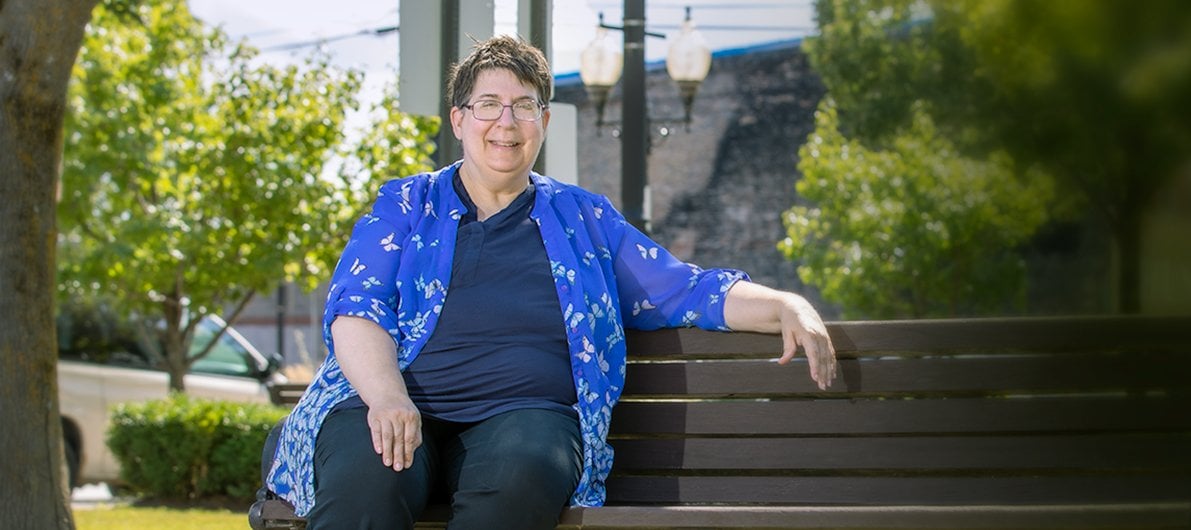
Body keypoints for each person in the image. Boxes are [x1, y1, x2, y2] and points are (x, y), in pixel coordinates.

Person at [263, 35, 837, 529]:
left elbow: (685, 290)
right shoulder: (408, 205)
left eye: (524, 106)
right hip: (395, 404)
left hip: (523, 418)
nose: (506, 123)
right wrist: (388, 398)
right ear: (459, 119)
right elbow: (357, 309)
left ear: (545, 121)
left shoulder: (583, 219)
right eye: (488, 105)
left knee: (523, 468)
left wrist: (784, 303)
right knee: (368, 481)